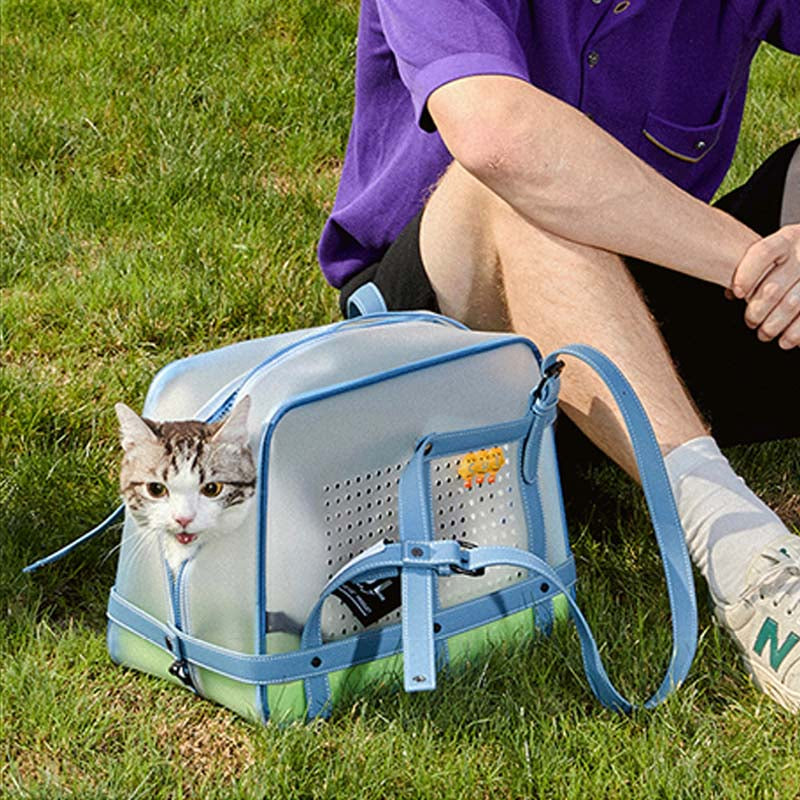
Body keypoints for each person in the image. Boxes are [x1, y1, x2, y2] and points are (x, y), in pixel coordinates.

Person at [318, 2, 800, 712]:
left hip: (638, 314)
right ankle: (747, 561)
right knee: (519, 185)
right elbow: (496, 134)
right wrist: (758, 266)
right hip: (447, 355)